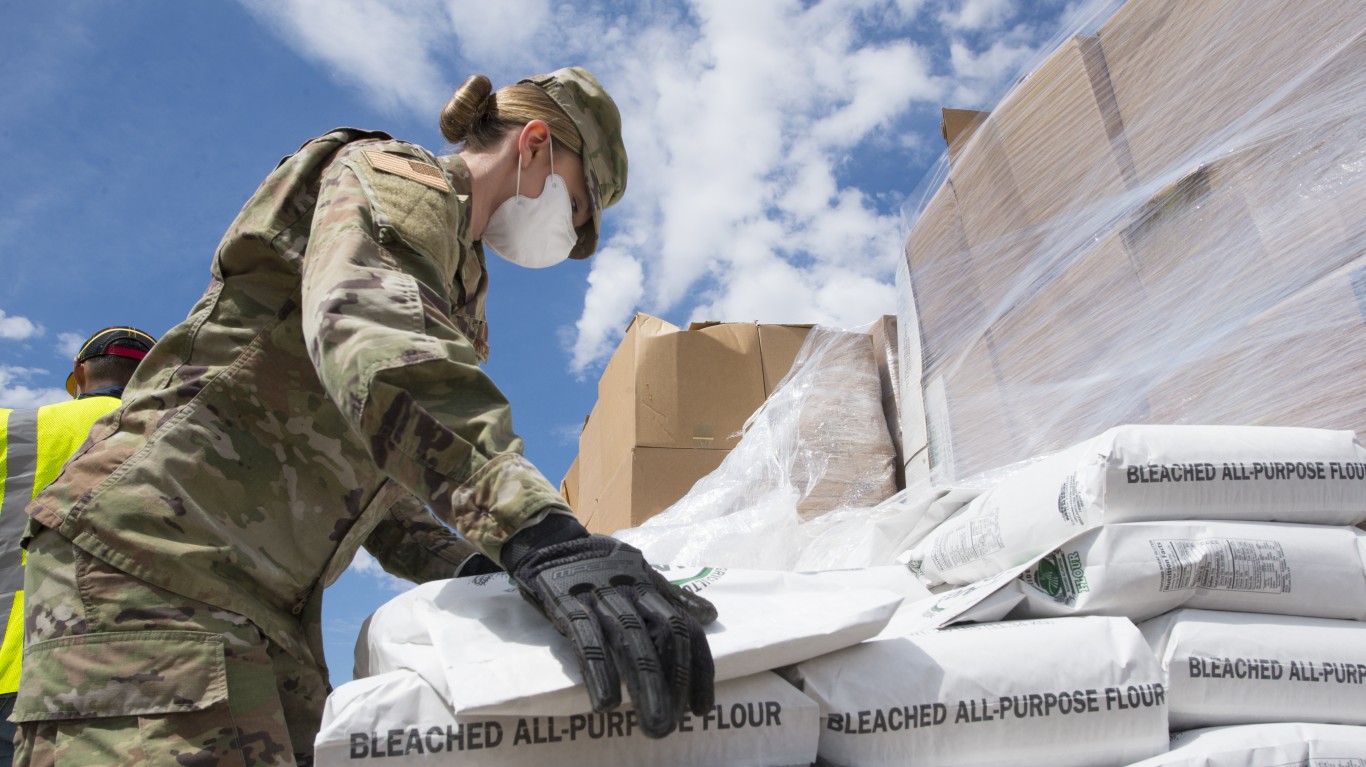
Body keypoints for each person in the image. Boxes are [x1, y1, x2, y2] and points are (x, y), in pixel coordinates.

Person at [16, 67, 714, 766]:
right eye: (578, 208)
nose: (570, 232)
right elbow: (365, 328)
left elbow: (384, 491)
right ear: (533, 146)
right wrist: (538, 531)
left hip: (263, 602)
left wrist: (484, 567)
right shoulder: (396, 176)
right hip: (152, 562)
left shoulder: (457, 287)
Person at [0, 326, 156, 766]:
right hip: (134, 680)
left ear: (78, 372)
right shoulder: (191, 439)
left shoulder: (11, 427)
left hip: (9, 668)